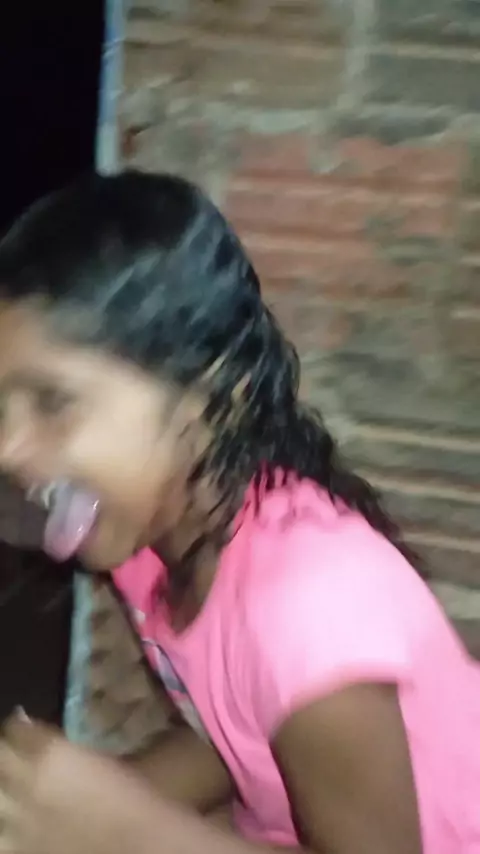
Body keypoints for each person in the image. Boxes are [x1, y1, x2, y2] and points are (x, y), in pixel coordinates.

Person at [0, 171, 478, 854]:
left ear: (215, 398)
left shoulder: (309, 609)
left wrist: (127, 831)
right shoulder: (150, 542)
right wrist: (59, 811)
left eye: (53, 401)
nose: (8, 449)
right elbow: (233, 732)